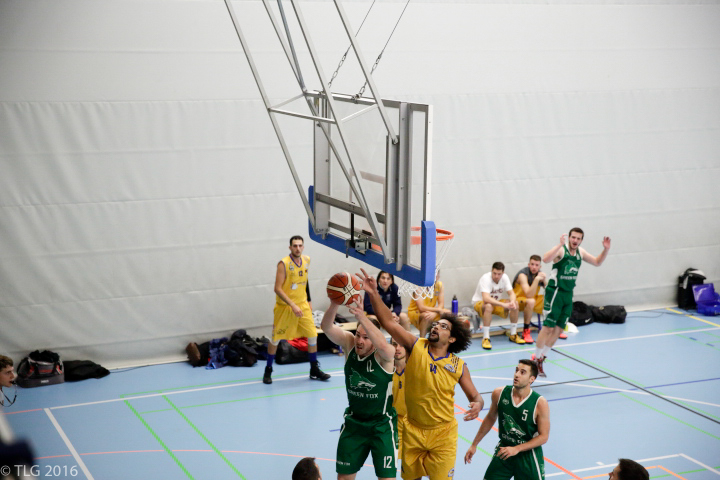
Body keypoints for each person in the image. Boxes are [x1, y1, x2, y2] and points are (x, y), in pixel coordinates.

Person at [358, 269, 484, 480]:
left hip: (443, 434)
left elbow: (476, 396)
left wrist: (478, 404)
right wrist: (373, 293)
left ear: (452, 339)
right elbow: (389, 322)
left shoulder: (459, 366)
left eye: (443, 327)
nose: (436, 327)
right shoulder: (416, 345)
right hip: (413, 430)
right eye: (436, 324)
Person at [321, 297, 398, 480]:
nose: (359, 341)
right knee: (344, 478)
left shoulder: (384, 355)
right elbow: (326, 327)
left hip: (381, 426)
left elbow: (384, 346)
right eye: (357, 335)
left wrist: (362, 316)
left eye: (366, 337)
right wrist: (334, 303)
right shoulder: (349, 343)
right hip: (355, 424)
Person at [533, 229, 611, 376]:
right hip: (555, 292)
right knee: (548, 327)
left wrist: (605, 250)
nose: (575, 240)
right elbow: (546, 259)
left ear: (581, 240)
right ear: (569, 238)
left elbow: (597, 262)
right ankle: (536, 359)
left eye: (578, 238)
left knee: (559, 329)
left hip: (568, 295)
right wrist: (559, 245)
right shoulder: (561, 250)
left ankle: (542, 357)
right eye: (573, 237)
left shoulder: (580, 252)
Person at [464, 359, 550, 480]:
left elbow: (544, 437)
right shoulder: (499, 393)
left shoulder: (540, 403)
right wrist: (474, 444)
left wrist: (516, 449)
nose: (517, 374)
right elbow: (490, 418)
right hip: (504, 450)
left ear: (532, 379)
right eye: (516, 370)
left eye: (522, 372)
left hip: (528, 456)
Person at [264, 235, 330, 384]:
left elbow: (305, 281)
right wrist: (292, 305)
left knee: (312, 336)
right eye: (295, 246)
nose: (298, 248)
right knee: (275, 339)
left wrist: (309, 300)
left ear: (303, 247)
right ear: (290, 247)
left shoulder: (306, 260)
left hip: (302, 305)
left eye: (300, 245)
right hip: (285, 307)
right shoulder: (283, 264)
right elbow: (277, 289)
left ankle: (314, 370)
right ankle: (268, 370)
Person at [472, 262, 523, 350]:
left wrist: (512, 302)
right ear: (491, 271)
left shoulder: (505, 277)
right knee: (488, 306)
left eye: (499, 274)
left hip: (495, 303)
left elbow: (512, 293)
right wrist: (503, 305)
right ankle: (486, 338)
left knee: (516, 304)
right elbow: (486, 298)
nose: (496, 276)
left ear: (503, 273)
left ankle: (513, 334)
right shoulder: (485, 278)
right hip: (479, 303)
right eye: (494, 273)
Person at [512, 255, 547, 345]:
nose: (534, 267)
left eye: (536, 265)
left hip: (533, 300)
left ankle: (552, 328)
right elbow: (528, 294)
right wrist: (537, 279)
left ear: (540, 267)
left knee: (552, 300)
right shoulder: (522, 275)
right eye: (532, 264)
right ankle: (526, 331)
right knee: (531, 301)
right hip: (518, 300)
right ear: (529, 265)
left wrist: (545, 280)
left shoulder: (540, 274)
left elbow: (549, 291)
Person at [407, 271, 450, 338]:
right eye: (433, 274)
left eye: (436, 275)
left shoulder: (439, 285)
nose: (434, 277)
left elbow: (441, 304)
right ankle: (422, 339)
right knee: (427, 316)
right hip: (416, 311)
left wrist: (435, 313)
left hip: (432, 311)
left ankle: (445, 338)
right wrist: (437, 311)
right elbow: (421, 308)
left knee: (448, 313)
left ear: (438, 276)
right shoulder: (419, 286)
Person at [391, 339, 408, 460]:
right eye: (394, 344)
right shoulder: (386, 370)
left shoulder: (416, 369)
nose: (397, 348)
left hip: (415, 422)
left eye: (401, 345)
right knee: (395, 461)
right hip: (394, 423)